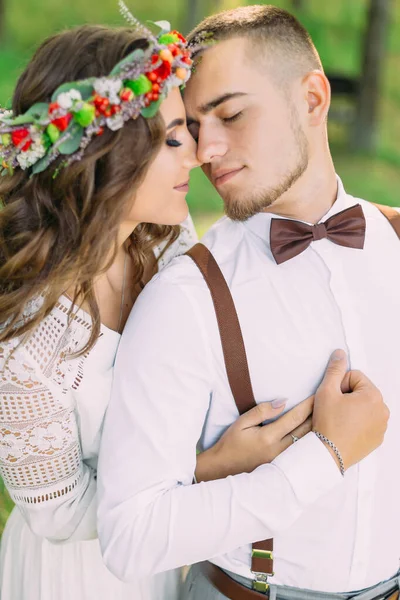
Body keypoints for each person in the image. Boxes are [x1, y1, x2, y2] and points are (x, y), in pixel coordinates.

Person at [0, 12, 320, 600]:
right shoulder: (25, 338)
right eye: (173, 139)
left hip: (169, 550)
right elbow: (59, 514)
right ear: (104, 157)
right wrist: (210, 466)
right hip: (78, 574)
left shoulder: (164, 243)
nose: (197, 155)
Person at [97, 5, 399, 600]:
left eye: (231, 114)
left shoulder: (397, 243)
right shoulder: (185, 299)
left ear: (312, 99)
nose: (206, 150)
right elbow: (128, 535)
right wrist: (325, 457)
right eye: (194, 125)